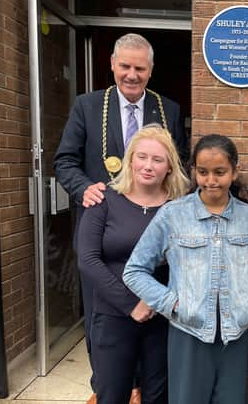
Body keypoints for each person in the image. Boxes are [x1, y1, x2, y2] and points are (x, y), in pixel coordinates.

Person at [53, 33, 186, 400]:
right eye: (124, 66)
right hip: (105, 225)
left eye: (139, 68)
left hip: (153, 224)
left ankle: (142, 389)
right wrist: (84, 188)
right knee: (106, 327)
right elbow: (64, 160)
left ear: (151, 70)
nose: (131, 74)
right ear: (112, 64)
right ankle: (109, 386)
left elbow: (179, 163)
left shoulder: (168, 110)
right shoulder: (88, 106)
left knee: (155, 346)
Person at [123, 134, 248, 404]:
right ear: (193, 172)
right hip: (189, 332)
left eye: (220, 172)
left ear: (234, 171)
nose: (211, 180)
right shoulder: (173, 215)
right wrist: (172, 303)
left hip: (234, 335)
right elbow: (134, 270)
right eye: (203, 172)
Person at [77, 125, 189, 404]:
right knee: (112, 394)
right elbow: (88, 260)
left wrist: (155, 302)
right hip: (112, 317)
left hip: (162, 320)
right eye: (142, 157)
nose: (148, 166)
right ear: (130, 160)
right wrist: (131, 304)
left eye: (157, 160)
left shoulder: (180, 207)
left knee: (159, 396)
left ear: (170, 168)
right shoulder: (104, 200)